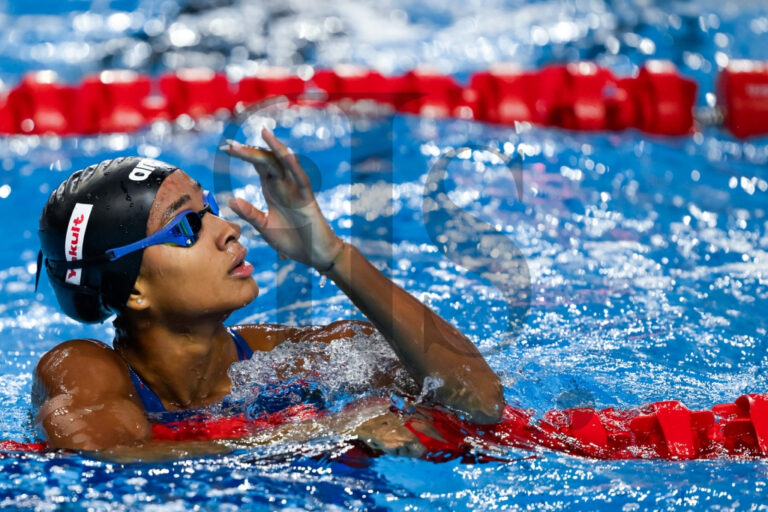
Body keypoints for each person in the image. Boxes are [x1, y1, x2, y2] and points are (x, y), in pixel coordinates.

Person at [32, 128, 506, 457]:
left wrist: (333, 255)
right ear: (132, 288)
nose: (228, 229)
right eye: (186, 227)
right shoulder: (82, 367)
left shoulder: (288, 360)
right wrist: (319, 434)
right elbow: (106, 456)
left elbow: (480, 403)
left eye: (209, 208)